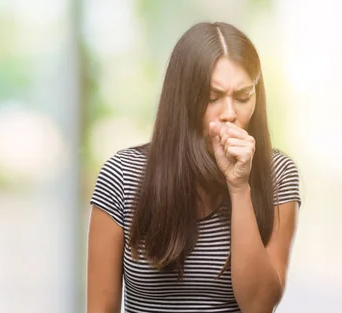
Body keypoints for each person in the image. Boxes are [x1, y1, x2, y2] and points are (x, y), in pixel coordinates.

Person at [86, 22, 301, 313]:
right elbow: (100, 308)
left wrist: (240, 188)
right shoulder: (123, 175)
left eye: (242, 97)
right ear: (183, 100)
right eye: (213, 98)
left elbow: (259, 305)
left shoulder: (278, 173)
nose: (229, 114)